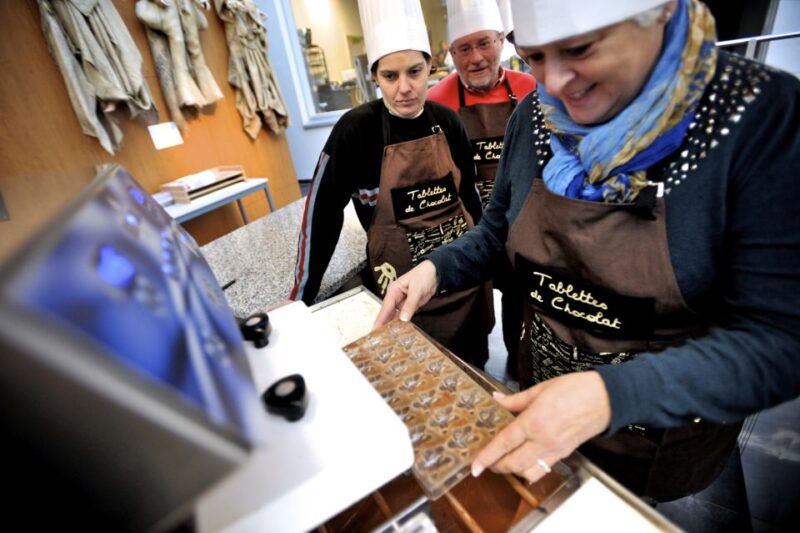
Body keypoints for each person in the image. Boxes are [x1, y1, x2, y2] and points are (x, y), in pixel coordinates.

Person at [376, 0, 800, 502]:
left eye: (579, 49)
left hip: (663, 439)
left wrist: (611, 394)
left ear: (661, 13)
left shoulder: (757, 117)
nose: (553, 83)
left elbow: (781, 339)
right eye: (532, 56)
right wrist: (435, 268)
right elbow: (497, 232)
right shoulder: (535, 115)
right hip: (545, 412)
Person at [290, 0, 493, 368]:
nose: (404, 88)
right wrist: (300, 300)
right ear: (375, 76)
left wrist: (491, 265)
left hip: (462, 289)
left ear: (430, 66)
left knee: (474, 375)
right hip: (400, 297)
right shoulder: (355, 131)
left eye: (415, 72)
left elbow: (471, 203)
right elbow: (321, 214)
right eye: (390, 76)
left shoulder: (448, 123)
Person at [427, 0, 535, 380]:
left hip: (524, 224)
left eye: (485, 43)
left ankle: (521, 363)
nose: (475, 58)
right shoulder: (435, 102)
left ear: (502, 41)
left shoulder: (531, 90)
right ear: (450, 53)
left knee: (522, 306)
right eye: (463, 48)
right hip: (471, 231)